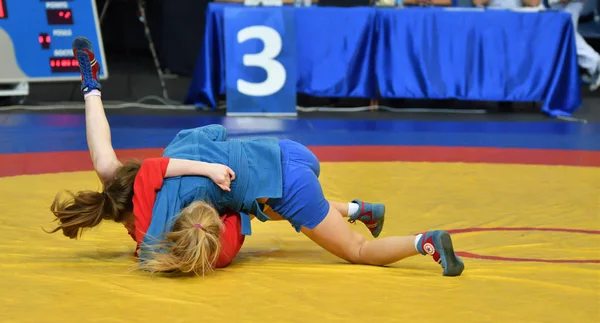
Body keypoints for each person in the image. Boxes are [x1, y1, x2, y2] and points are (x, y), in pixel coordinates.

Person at [50, 37, 465, 278]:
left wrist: (211, 200)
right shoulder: (163, 161)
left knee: (354, 250)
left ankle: (421, 242)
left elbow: (229, 233)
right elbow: (187, 148)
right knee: (108, 165)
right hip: (286, 150)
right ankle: (360, 209)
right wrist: (209, 167)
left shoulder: (154, 235)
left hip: (286, 186)